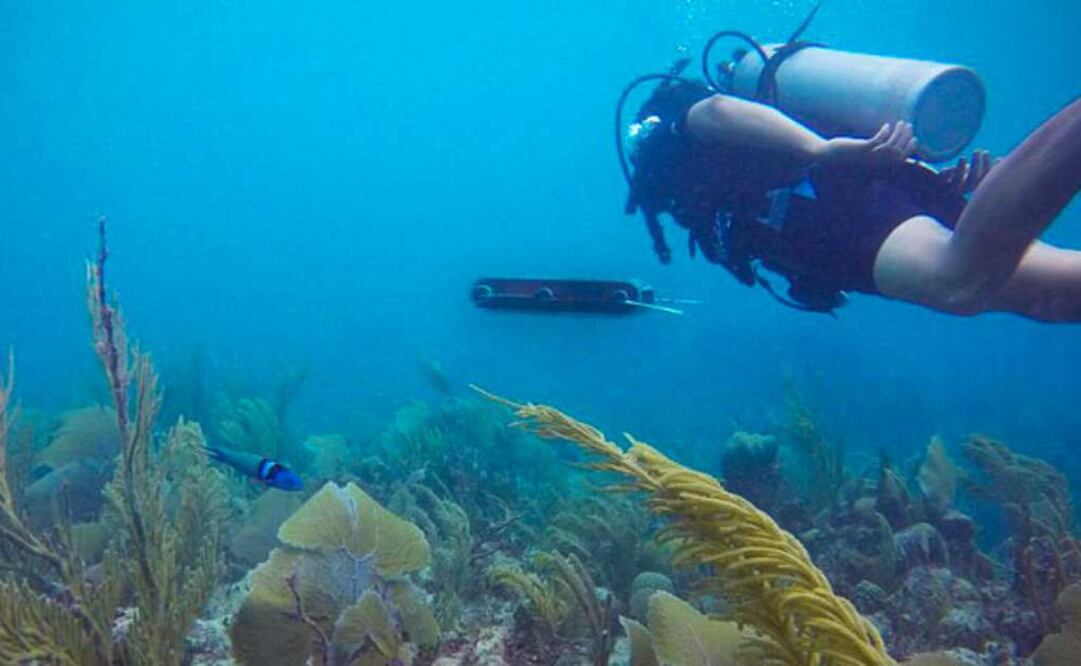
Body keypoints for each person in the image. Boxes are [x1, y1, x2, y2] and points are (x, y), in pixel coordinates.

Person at [625, 78, 1081, 322]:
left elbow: (715, 111)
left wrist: (818, 150)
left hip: (833, 207)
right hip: (854, 201)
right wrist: (933, 184)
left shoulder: (662, 145)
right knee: (1055, 293)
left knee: (957, 281)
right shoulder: (712, 182)